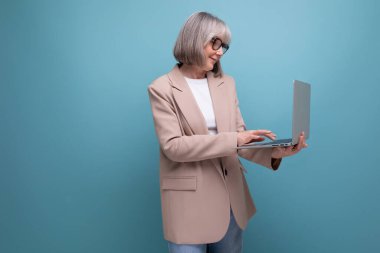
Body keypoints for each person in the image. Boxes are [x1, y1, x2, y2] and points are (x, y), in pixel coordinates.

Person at [147, 11, 307, 253]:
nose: (220, 52)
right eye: (216, 43)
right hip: (188, 204)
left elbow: (240, 139)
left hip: (231, 201)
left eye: (224, 46)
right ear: (194, 38)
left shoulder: (227, 83)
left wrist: (276, 153)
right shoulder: (161, 88)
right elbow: (173, 146)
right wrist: (234, 139)